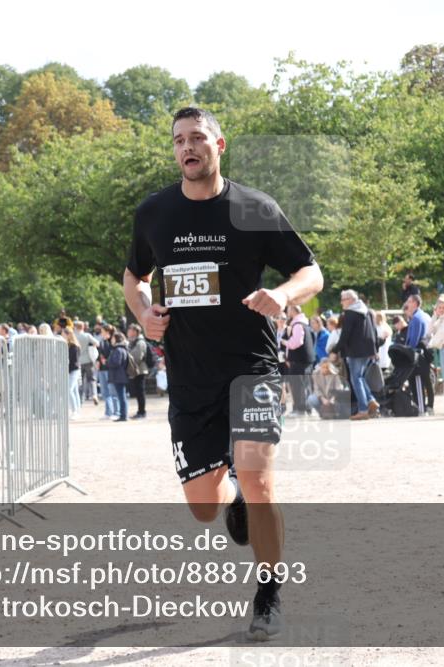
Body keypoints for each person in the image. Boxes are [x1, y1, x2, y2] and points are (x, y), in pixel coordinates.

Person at [123, 106, 322, 640]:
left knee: (259, 479)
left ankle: (269, 593)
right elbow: (134, 275)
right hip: (190, 377)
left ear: (219, 145)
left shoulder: (254, 208)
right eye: (178, 141)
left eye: (197, 139)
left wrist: (281, 294)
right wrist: (145, 313)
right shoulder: (154, 213)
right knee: (205, 509)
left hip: (251, 367)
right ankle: (229, 498)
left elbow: (312, 270)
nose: (187, 148)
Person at [336, 289, 380, 421]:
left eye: (343, 299)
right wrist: (375, 349)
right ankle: (371, 400)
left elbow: (345, 334)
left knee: (356, 378)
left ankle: (363, 410)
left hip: (355, 350)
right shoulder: (366, 311)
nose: (341, 302)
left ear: (350, 300)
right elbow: (374, 331)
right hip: (366, 350)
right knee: (359, 377)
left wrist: (336, 349)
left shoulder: (350, 313)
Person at [403, 294, 434, 415]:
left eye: (409, 301)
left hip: (417, 355)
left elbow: (413, 340)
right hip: (424, 353)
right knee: (425, 382)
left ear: (415, 303)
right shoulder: (423, 315)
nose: (407, 303)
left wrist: (406, 352)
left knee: (417, 381)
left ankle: (421, 408)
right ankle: (427, 407)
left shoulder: (416, 318)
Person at [283, 305, 315, 416]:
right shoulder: (305, 324)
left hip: (299, 360)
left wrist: (285, 342)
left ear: (293, 311)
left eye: (288, 310)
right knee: (305, 385)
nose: (287, 312)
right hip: (305, 359)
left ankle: (300, 409)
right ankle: (307, 408)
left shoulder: (297, 325)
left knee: (298, 385)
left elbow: (297, 342)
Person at [105, 331, 130, 422]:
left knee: (121, 396)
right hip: (119, 376)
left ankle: (124, 415)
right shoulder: (120, 349)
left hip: (119, 376)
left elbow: (116, 362)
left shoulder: (118, 349)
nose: (111, 340)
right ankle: (123, 415)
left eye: (113, 338)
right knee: (121, 396)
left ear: (116, 339)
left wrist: (107, 362)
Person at [75, 321, 100, 405]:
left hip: (78, 361)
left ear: (75, 327)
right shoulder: (87, 335)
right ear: (83, 327)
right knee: (92, 379)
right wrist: (92, 346)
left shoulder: (74, 336)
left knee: (80, 381)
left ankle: (80, 400)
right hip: (89, 360)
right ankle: (94, 395)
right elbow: (97, 343)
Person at [127, 324, 148, 419]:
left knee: (140, 392)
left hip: (140, 370)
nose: (128, 332)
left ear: (135, 332)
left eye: (130, 330)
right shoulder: (133, 341)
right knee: (138, 392)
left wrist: (128, 356)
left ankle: (142, 412)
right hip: (136, 370)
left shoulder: (140, 342)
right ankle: (140, 411)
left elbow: (137, 356)